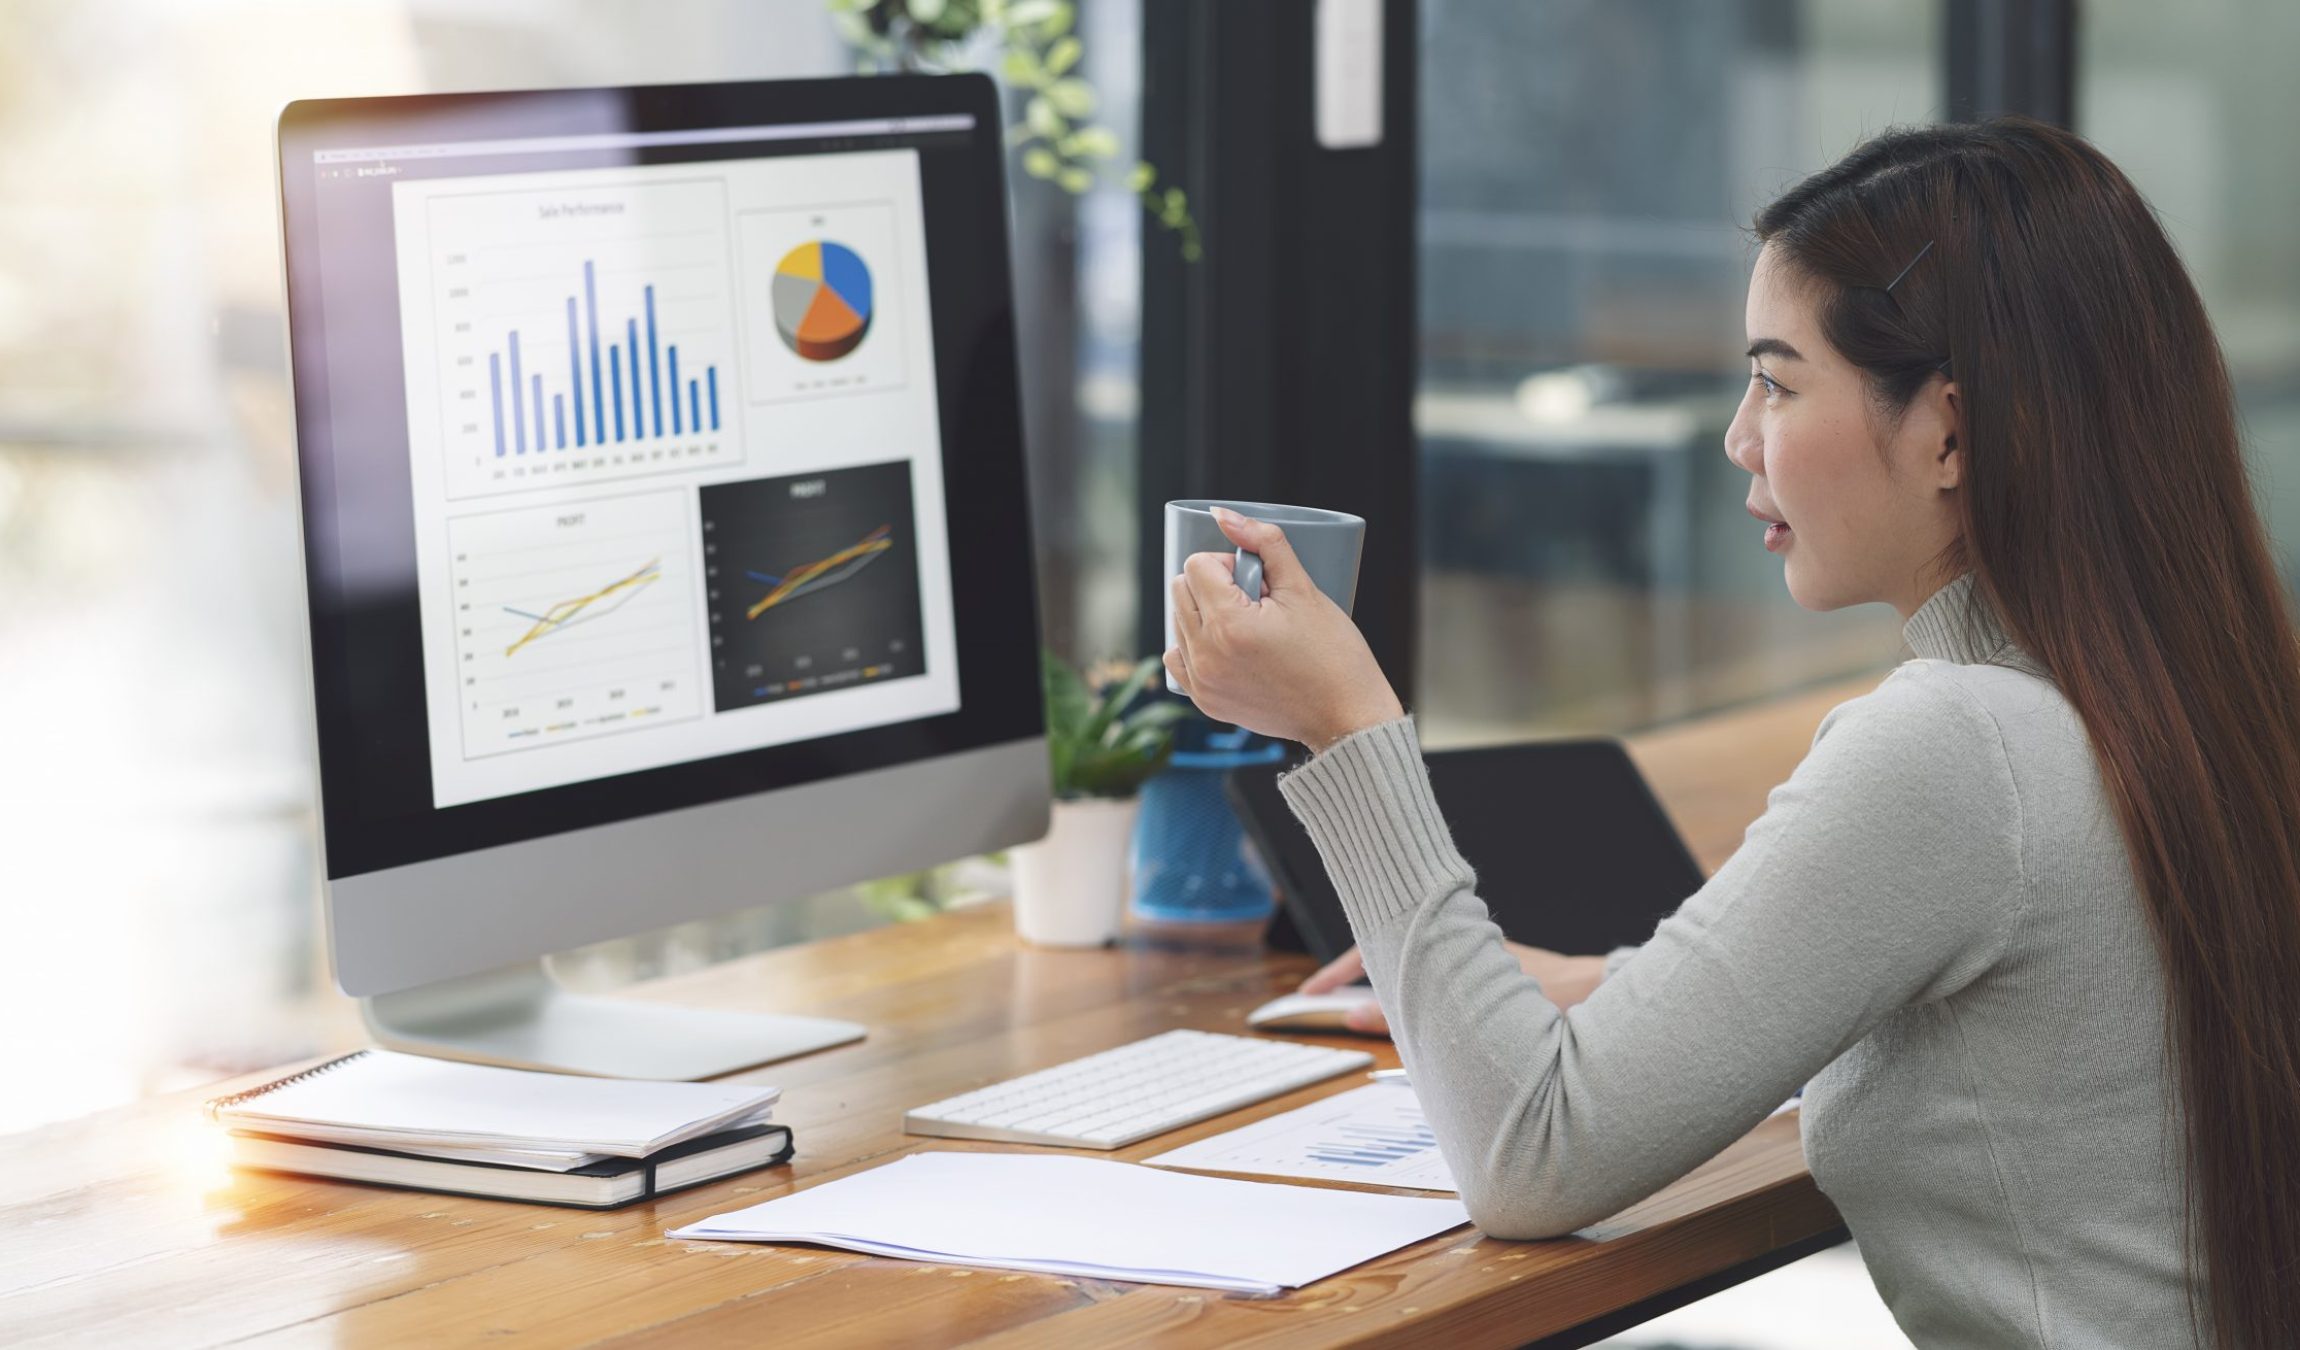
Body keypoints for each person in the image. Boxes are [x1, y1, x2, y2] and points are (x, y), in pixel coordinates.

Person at [1164, 117, 2300, 1349]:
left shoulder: (1955, 746)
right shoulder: (2203, 689)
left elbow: (1529, 1152)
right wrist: (1612, 991)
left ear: (1949, 433)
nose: (1736, 438)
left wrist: (1346, 725)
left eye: (1775, 379)